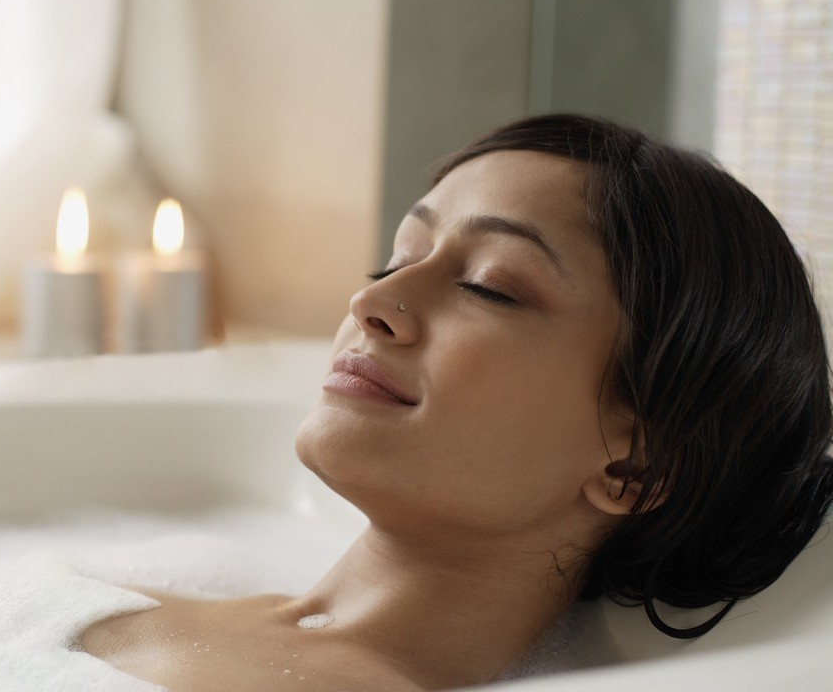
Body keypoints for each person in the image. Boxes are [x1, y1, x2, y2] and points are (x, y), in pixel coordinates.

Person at [81, 113, 833, 691]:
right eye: (398, 258)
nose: (372, 300)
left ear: (634, 469)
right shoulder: (113, 602)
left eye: (491, 286)